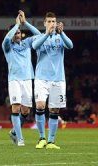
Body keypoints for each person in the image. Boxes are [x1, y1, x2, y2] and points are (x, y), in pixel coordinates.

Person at [32, 12, 73, 149]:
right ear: (44, 23)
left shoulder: (60, 37)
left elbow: (70, 45)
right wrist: (46, 34)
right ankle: (42, 138)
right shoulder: (39, 37)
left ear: (56, 23)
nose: (51, 24)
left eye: (53, 21)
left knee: (54, 110)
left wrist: (62, 33)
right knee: (40, 106)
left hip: (58, 79)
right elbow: (35, 46)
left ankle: (51, 141)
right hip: (41, 79)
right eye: (49, 21)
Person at [2, 10, 41, 147]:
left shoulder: (26, 43)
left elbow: (39, 35)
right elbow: (7, 39)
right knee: (16, 107)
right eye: (15, 33)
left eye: (19, 32)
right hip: (14, 80)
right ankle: (20, 139)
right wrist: (15, 26)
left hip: (28, 79)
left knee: (26, 111)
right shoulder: (7, 47)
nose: (18, 34)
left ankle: (13, 131)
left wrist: (25, 23)